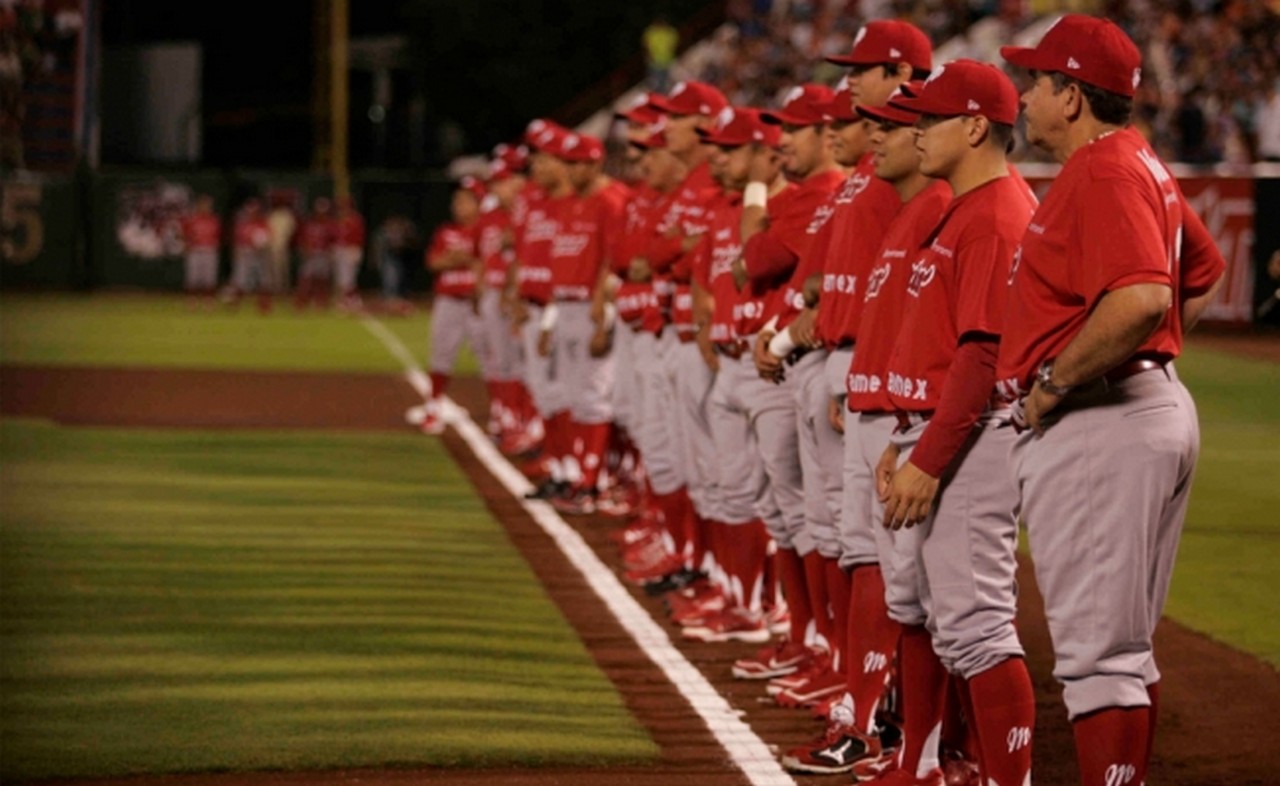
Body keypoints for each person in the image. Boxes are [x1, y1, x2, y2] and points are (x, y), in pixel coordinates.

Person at [998, 15, 1226, 786]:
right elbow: (1203, 268)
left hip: (1103, 415)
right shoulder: (1137, 160)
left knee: (1099, 661)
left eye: (1036, 81)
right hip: (1141, 406)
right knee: (1124, 652)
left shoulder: (1101, 170)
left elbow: (1139, 298)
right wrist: (1149, 356)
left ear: (1071, 94)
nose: (1024, 96)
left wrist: (1060, 380)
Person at [873, 60, 1039, 786]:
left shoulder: (999, 214)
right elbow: (941, 344)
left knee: (976, 625)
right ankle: (928, 764)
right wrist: (901, 437)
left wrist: (928, 458)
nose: (915, 128)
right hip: (936, 429)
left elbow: (982, 356)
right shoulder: (960, 207)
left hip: (974, 439)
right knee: (938, 613)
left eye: (930, 117)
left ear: (974, 126)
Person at [421, 176, 486, 435]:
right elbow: (433, 263)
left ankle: (505, 415)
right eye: (456, 200)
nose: (458, 205)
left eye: (466, 200)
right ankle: (433, 407)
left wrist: (466, 259)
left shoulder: (485, 230)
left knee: (492, 361)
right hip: (448, 301)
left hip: (478, 303)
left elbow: (490, 265)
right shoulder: (446, 231)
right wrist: (455, 259)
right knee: (441, 356)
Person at [224, 196, 274, 312]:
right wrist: (237, 253)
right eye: (250, 210)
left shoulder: (263, 223)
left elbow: (269, 238)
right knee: (240, 281)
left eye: (255, 211)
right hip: (246, 253)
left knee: (264, 281)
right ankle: (234, 305)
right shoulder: (243, 224)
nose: (252, 213)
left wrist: (263, 245)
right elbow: (238, 241)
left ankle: (265, 306)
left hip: (261, 255)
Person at [294, 196, 336, 310]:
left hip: (323, 254)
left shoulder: (330, 224)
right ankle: (301, 302)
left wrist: (330, 253)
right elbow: (301, 239)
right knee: (305, 278)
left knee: (322, 279)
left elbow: (334, 240)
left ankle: (321, 302)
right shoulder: (308, 223)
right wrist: (304, 250)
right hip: (310, 254)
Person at [179, 194, 222, 306]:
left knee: (209, 278)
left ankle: (209, 301)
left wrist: (214, 246)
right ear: (199, 206)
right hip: (195, 250)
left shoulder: (214, 220)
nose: (206, 207)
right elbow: (182, 234)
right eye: (204, 205)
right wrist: (186, 244)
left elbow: (218, 236)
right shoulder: (192, 219)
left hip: (209, 250)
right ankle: (191, 301)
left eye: (208, 205)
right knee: (193, 277)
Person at [372, 213, 418, 316]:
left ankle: (395, 305)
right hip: (387, 259)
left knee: (397, 280)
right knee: (390, 281)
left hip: (398, 259)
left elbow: (410, 242)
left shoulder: (402, 232)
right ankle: (390, 305)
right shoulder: (383, 234)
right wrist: (377, 259)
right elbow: (378, 247)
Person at [333, 195, 367, 312]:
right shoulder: (340, 220)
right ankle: (349, 300)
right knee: (343, 279)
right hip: (341, 250)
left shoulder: (356, 219)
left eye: (345, 207)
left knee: (349, 278)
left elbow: (359, 237)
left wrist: (356, 250)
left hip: (351, 250)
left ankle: (353, 300)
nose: (342, 209)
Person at [643, 14, 679, 94]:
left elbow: (674, 44)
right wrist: (649, 55)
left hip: (666, 60)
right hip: (654, 60)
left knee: (664, 79)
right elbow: (646, 44)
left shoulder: (670, 32)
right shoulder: (651, 31)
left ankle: (661, 95)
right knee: (654, 80)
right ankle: (655, 94)